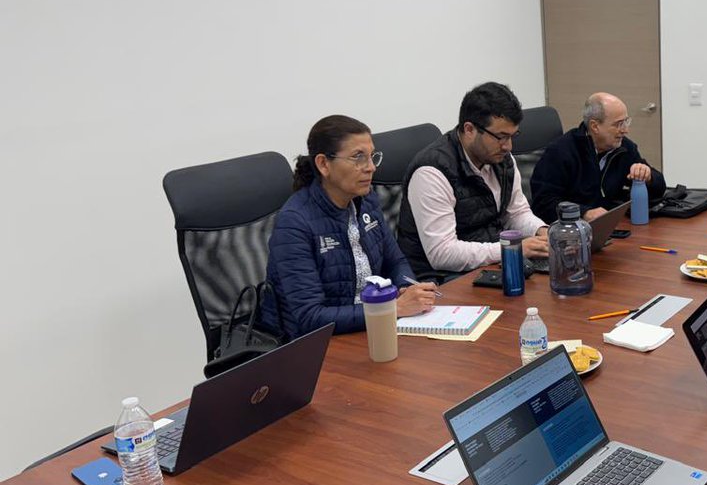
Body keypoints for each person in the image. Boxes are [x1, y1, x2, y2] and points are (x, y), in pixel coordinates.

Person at [261, 115, 438, 339]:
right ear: (324, 164)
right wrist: (393, 309)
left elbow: (396, 261)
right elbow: (310, 318)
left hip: (370, 326)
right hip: (319, 345)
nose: (371, 168)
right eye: (358, 158)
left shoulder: (366, 199)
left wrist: (406, 290)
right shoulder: (295, 222)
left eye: (372, 157)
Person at [397, 82, 550, 279]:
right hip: (441, 280)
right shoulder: (431, 172)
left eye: (512, 136)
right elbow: (442, 254)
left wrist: (542, 232)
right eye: (501, 137)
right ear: (469, 129)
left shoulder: (500, 158)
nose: (508, 146)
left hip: (489, 265)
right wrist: (511, 249)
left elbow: (516, 213)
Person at [529, 92, 666, 224]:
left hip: (609, 227)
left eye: (626, 122)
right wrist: (584, 213)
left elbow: (660, 187)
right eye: (618, 124)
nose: (625, 130)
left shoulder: (624, 148)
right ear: (595, 126)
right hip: (572, 232)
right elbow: (543, 203)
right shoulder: (561, 152)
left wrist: (648, 177)